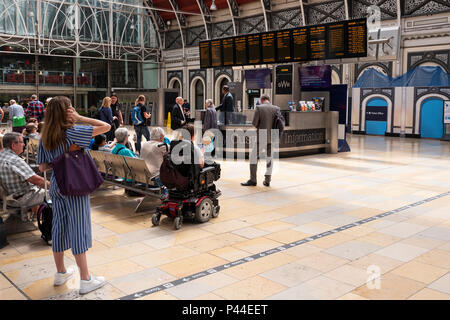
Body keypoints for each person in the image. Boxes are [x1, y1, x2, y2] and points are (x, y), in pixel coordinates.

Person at [37, 96, 111, 295]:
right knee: (79, 229)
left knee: (59, 226)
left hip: (56, 186)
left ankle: (61, 272)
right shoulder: (73, 131)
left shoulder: (45, 135)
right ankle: (86, 279)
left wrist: (58, 160)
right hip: (74, 187)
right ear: (65, 112)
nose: (73, 110)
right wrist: (81, 118)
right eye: (70, 108)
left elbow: (43, 166)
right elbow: (106, 126)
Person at [0, 132, 49, 221]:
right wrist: (57, 186)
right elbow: (37, 180)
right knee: (58, 192)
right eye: (21, 142)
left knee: (37, 184)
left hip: (8, 195)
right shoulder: (14, 160)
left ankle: (35, 215)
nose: (24, 144)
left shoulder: (2, 155)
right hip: (21, 198)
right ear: (13, 145)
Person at [241, 94, 279, 187]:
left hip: (262, 136)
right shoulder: (276, 108)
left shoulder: (259, 107)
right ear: (269, 100)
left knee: (253, 156)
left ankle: (253, 180)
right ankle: (267, 180)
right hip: (273, 136)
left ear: (262, 100)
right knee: (270, 158)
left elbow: (254, 123)